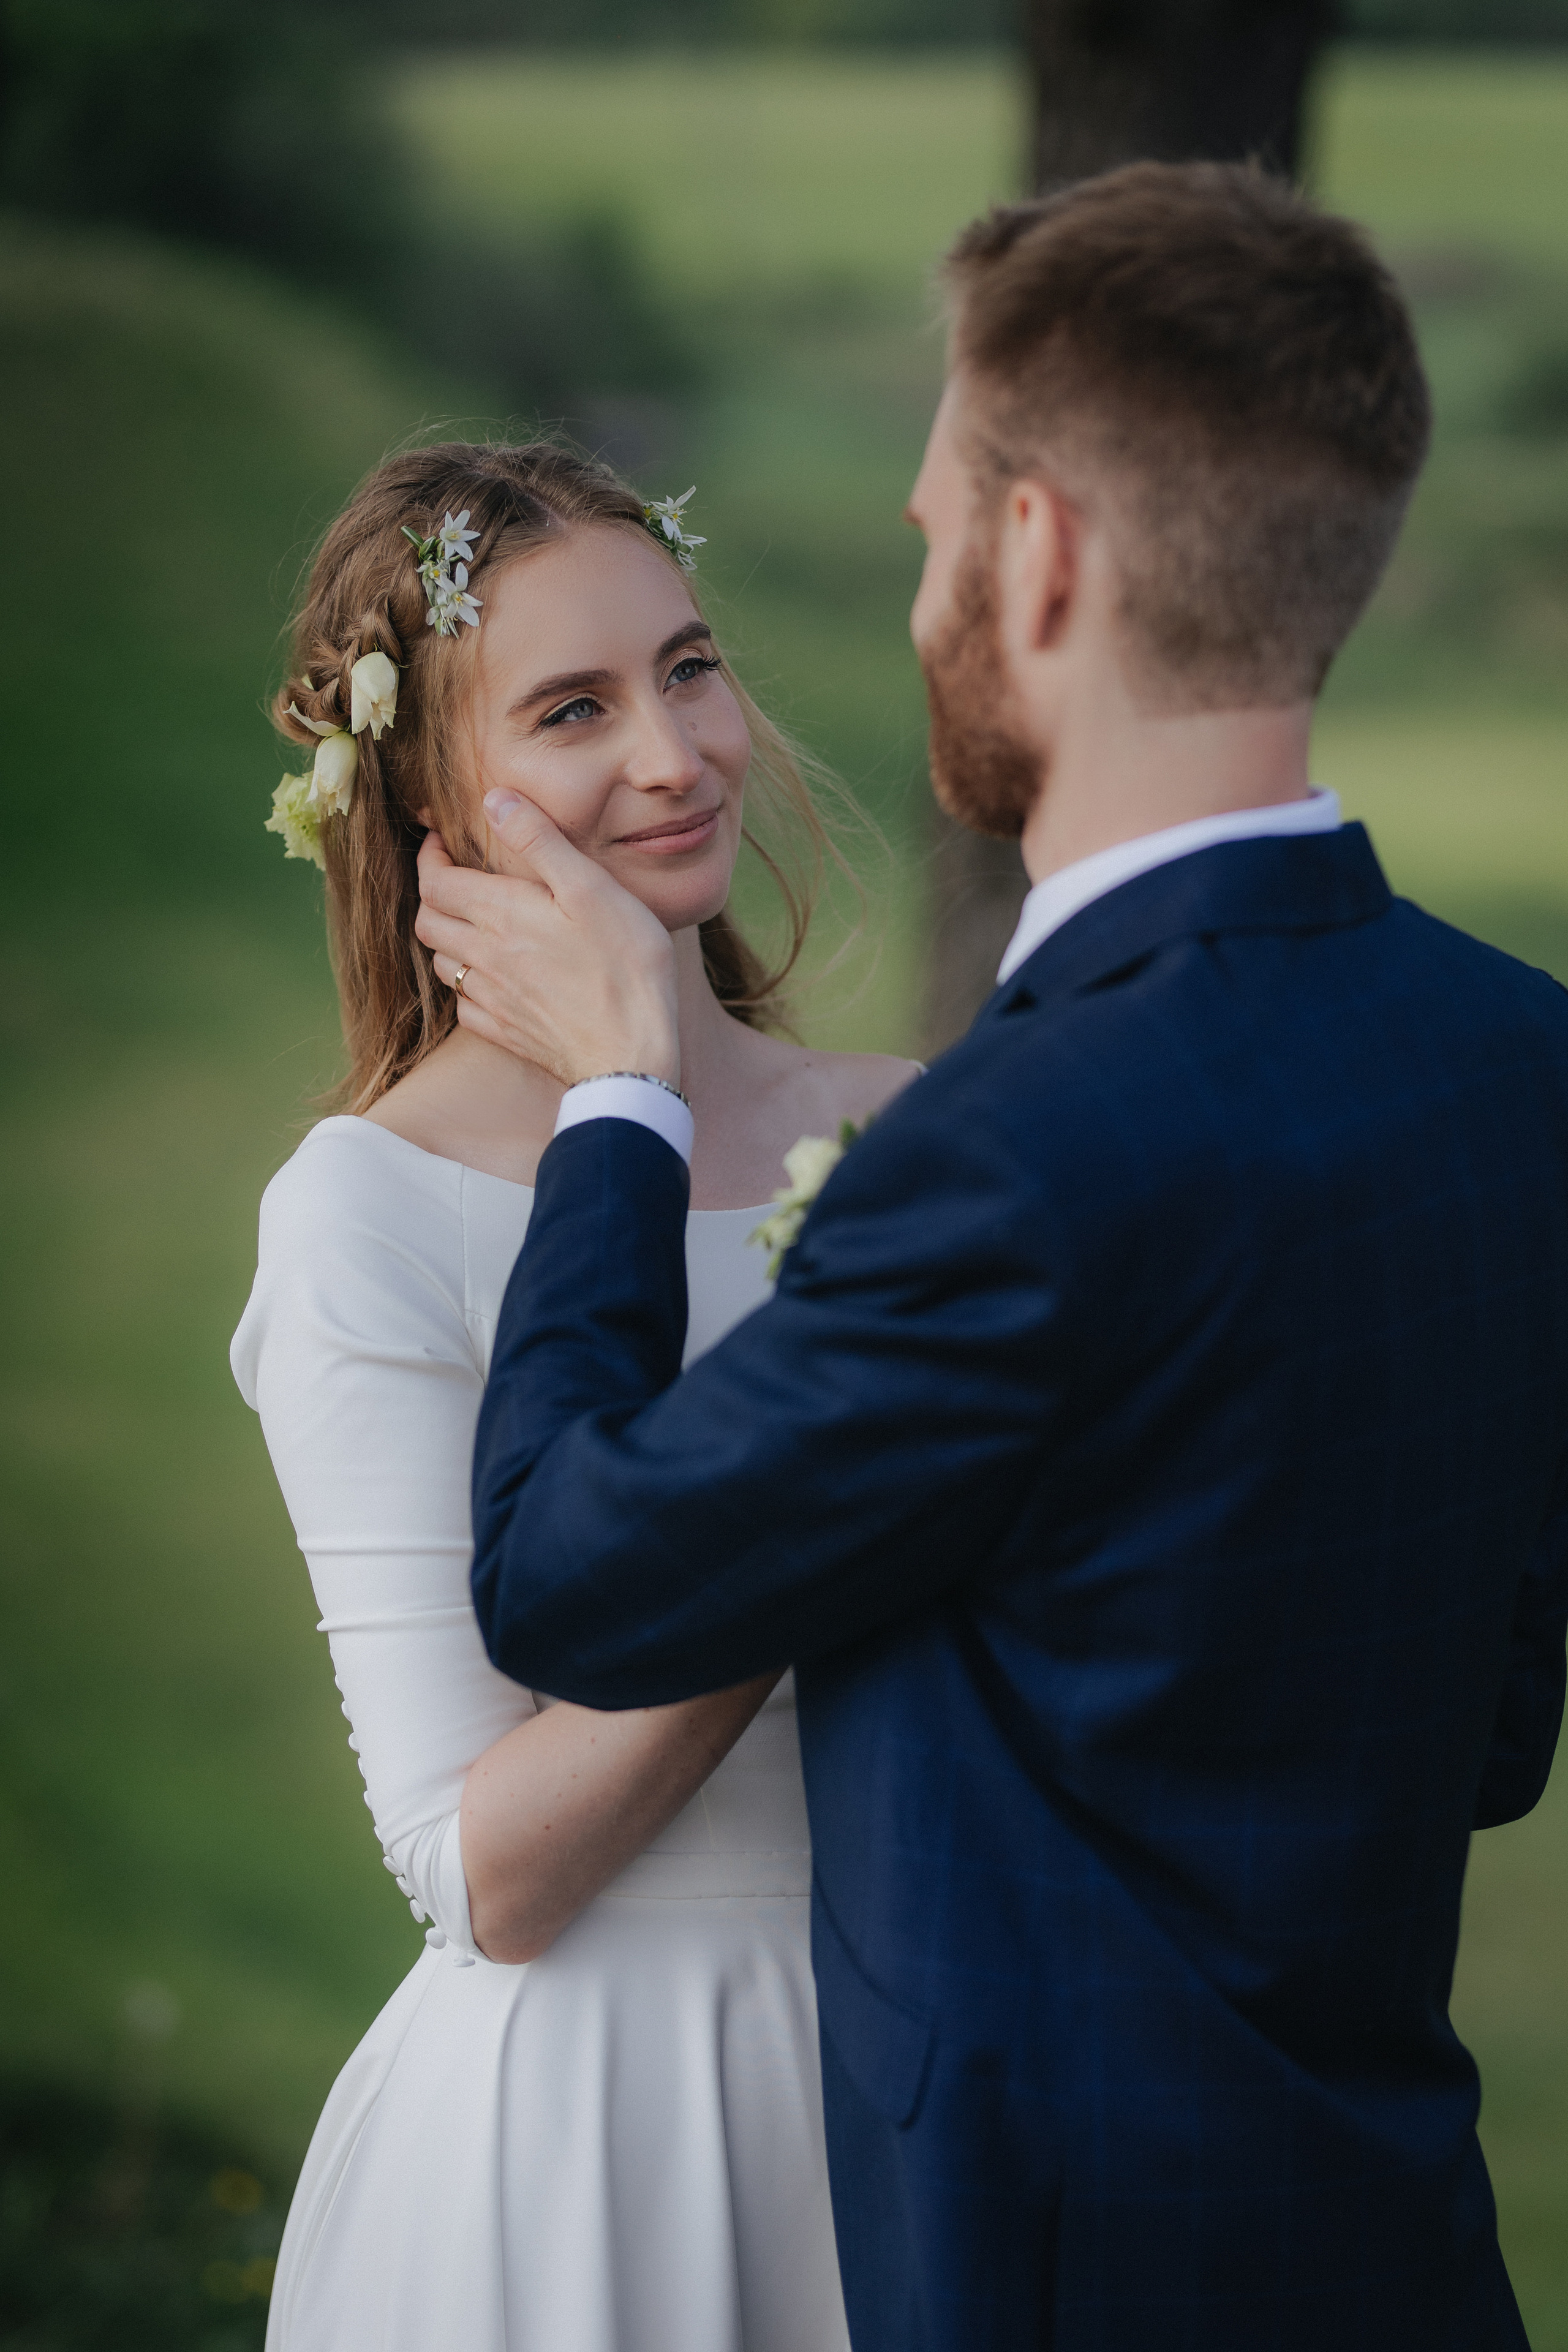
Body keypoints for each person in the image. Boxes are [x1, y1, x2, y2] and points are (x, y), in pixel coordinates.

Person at [417, 165, 1568, 2352]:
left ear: (1039, 555)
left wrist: (619, 1098)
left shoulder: (1006, 1159)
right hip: (1407, 2261)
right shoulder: (1525, 1062)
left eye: (944, 518)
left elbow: (568, 1577)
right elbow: (1491, 1729)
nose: (929, 562)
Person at [230, 439, 918, 2352]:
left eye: (690, 667)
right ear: (430, 803)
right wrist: (849, 1496)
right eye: (573, 710)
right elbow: (484, 1870)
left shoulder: (910, 1135)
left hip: (919, 2087)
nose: (676, 754)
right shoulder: (370, 1213)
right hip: (588, 2149)